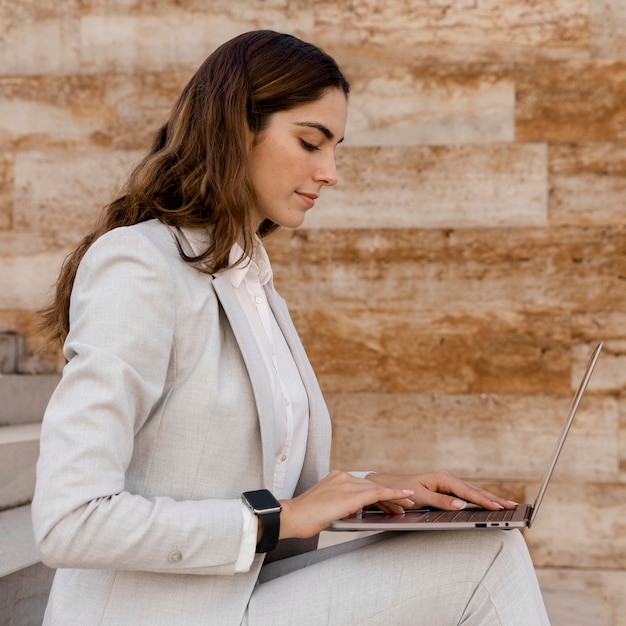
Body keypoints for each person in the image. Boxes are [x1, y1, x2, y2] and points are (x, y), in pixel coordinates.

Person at [32, 30, 551, 625]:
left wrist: (377, 488)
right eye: (310, 142)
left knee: (487, 544)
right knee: (486, 563)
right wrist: (278, 518)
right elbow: (70, 519)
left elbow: (255, 477)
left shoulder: (248, 278)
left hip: (240, 596)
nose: (329, 171)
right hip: (162, 612)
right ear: (235, 128)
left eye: (335, 148)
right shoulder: (140, 265)